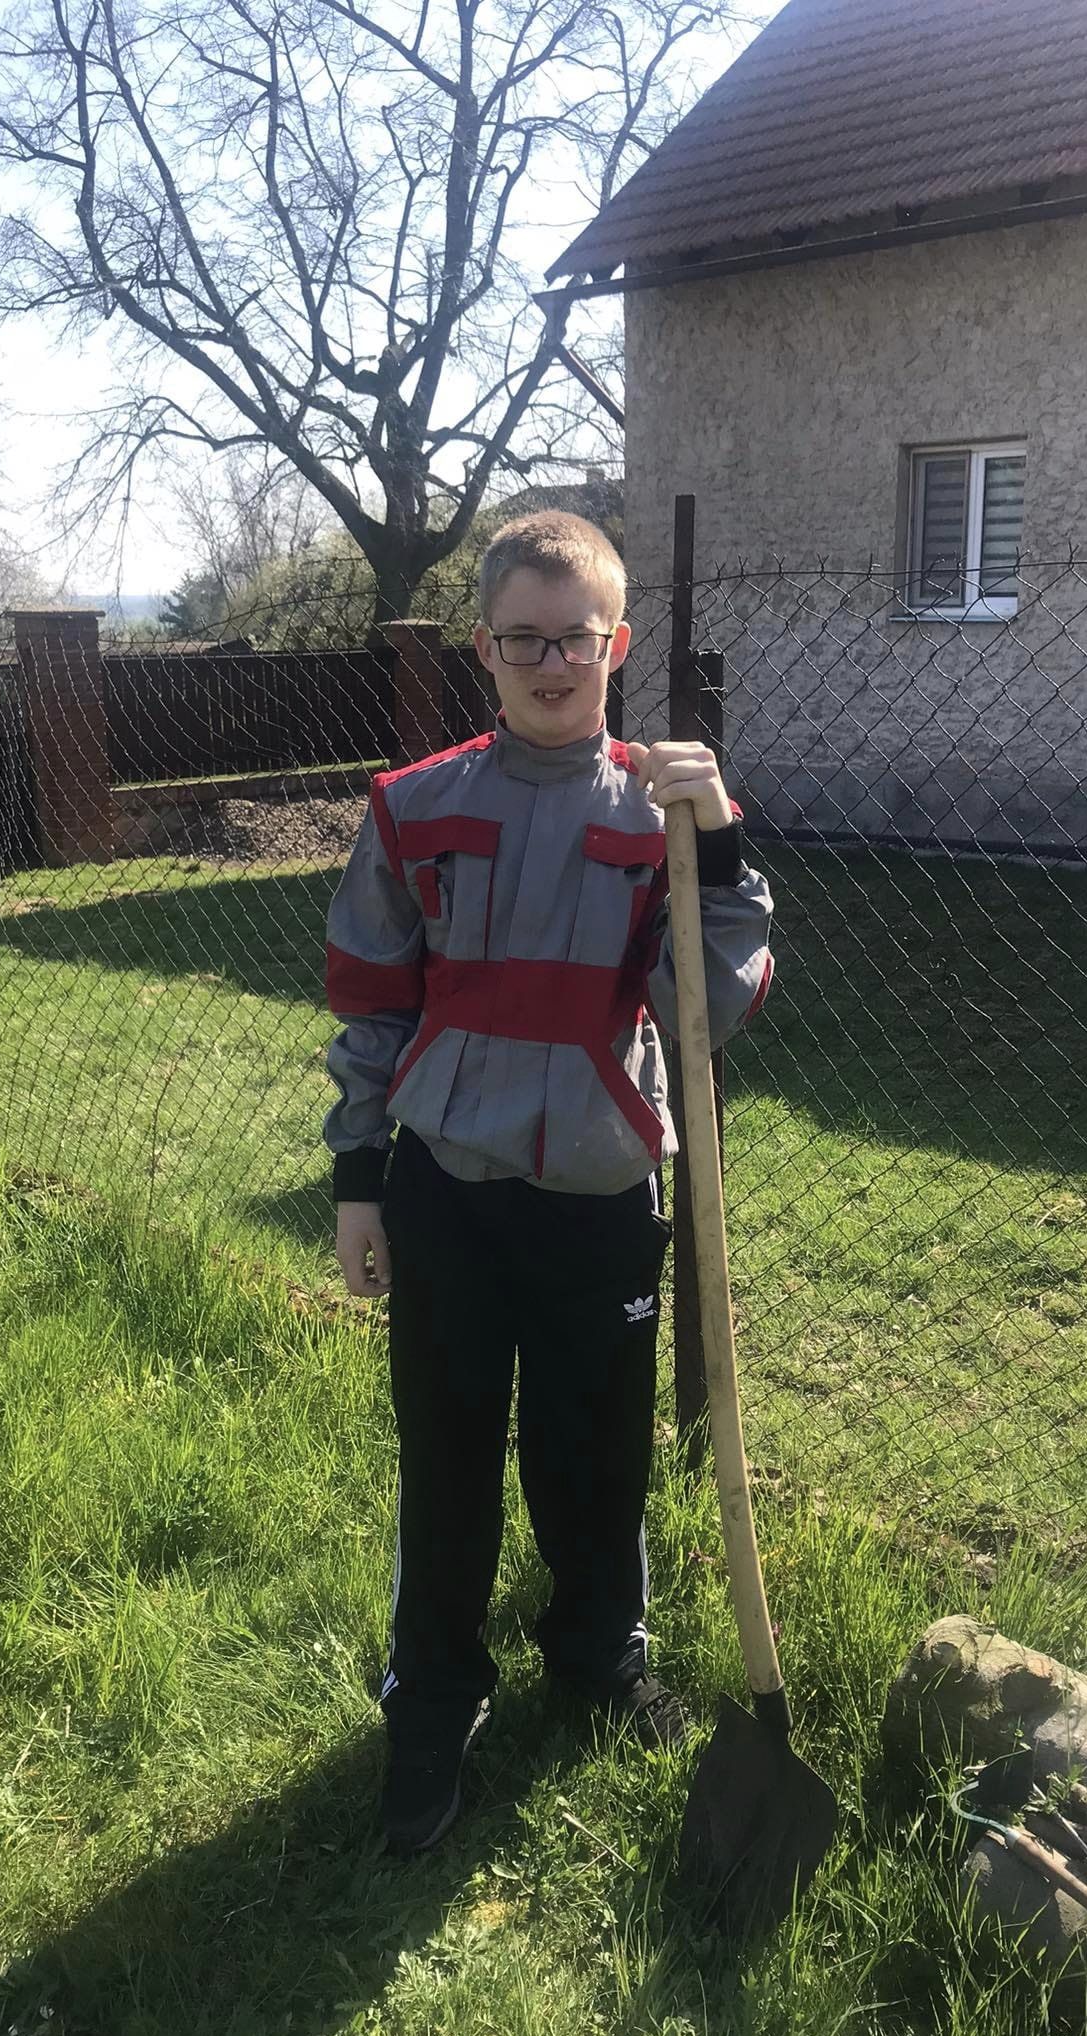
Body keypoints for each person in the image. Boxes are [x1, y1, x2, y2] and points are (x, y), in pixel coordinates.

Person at [324, 510, 774, 1854]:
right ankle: (433, 1699)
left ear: (616, 644)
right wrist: (358, 1180)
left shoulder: (662, 810)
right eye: (521, 640)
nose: (550, 664)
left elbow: (712, 1002)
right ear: (485, 650)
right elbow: (370, 1005)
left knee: (596, 1449)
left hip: (598, 1186)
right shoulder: (414, 807)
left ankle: (598, 1656)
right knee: (447, 1451)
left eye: (574, 639)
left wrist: (717, 841)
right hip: (446, 1189)